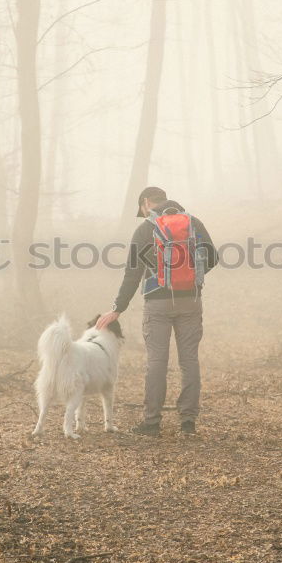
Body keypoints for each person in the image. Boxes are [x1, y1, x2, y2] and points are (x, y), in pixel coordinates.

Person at [96, 186, 217, 436]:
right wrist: (193, 277)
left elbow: (133, 273)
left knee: (157, 362)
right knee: (189, 361)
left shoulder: (145, 229)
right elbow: (213, 257)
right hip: (191, 301)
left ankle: (151, 423)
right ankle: (188, 423)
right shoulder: (193, 223)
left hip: (157, 303)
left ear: (146, 203)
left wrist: (118, 308)